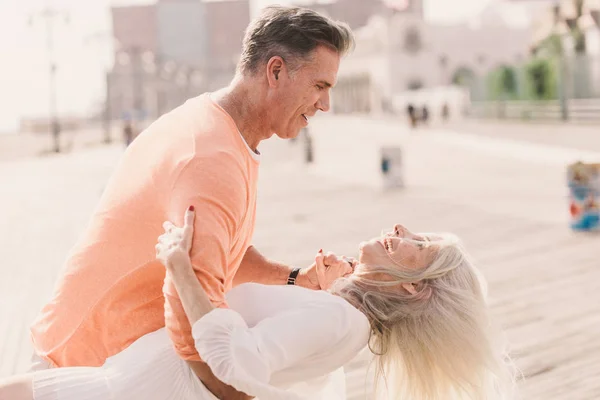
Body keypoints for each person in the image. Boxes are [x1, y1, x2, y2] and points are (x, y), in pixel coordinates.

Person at [26, 6, 355, 398]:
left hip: (104, 361)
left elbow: (219, 253)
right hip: (83, 369)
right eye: (320, 86)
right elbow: (192, 324)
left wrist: (295, 278)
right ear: (276, 71)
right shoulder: (210, 159)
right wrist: (240, 391)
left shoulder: (220, 130)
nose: (324, 105)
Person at [0, 208, 517, 399]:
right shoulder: (341, 315)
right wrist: (309, 284)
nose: (402, 229)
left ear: (412, 287)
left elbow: (239, 362)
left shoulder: (340, 322)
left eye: (418, 244)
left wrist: (181, 266)